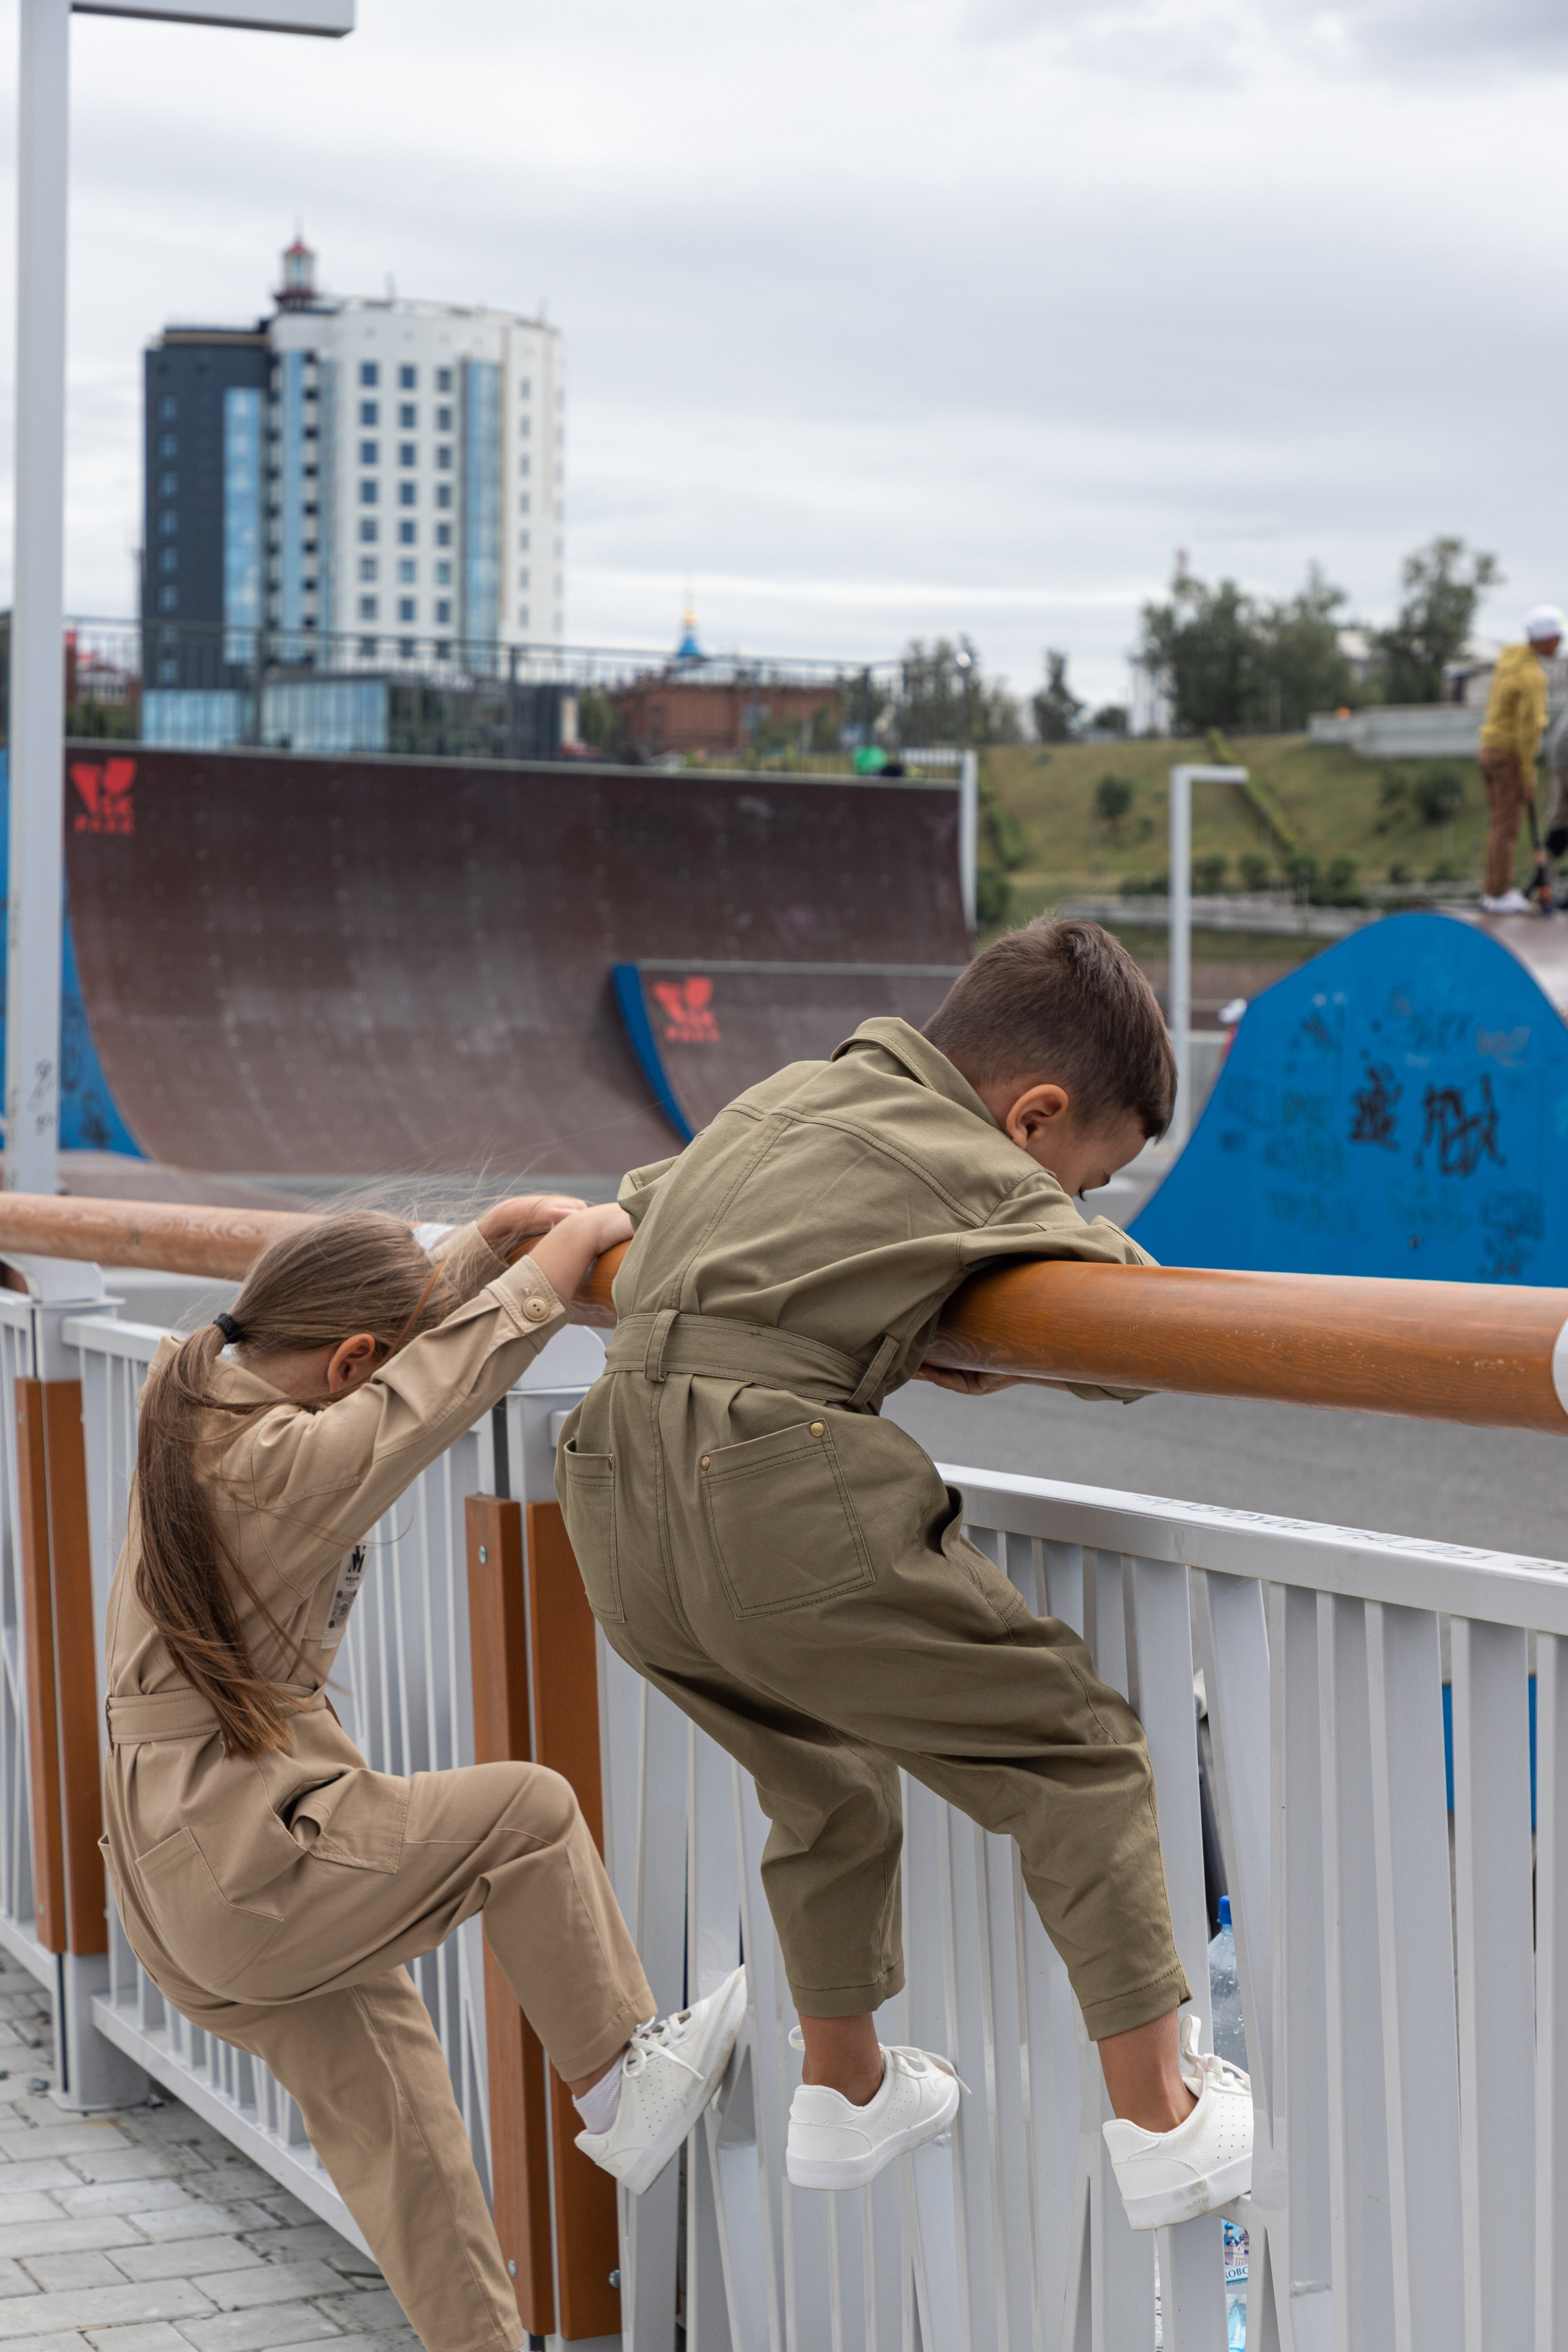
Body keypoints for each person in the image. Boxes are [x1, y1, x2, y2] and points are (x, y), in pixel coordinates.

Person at [557, 920, 1251, 2228]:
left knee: (818, 1769)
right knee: (1073, 1755)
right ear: (1032, 1117)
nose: (1072, 1209)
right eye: (1082, 1182)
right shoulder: (970, 1157)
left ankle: (842, 2084)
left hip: (610, 1487)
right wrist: (1011, 1285)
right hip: (765, 1487)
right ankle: (1164, 2119)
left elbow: (639, 1207)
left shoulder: (781, 1098)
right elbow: (1138, 1339)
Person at [101, 1196, 747, 2352]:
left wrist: (474, 1255)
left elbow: (379, 1365)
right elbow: (422, 1398)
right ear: (349, 1359)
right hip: (247, 1860)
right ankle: (621, 2086)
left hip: (177, 1875)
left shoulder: (194, 1385)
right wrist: (543, 1275)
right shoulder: (277, 1467)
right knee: (530, 1817)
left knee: (413, 2163)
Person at [1479, 603, 1564, 914]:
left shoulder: (1509, 660)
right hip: (1509, 754)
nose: (1560, 643)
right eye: (1556, 637)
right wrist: (1528, 777)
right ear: (1542, 638)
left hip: (1488, 747)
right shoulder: (1532, 676)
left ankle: (1493, 890)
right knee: (1508, 827)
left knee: (1498, 824)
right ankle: (1498, 894)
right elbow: (1528, 733)